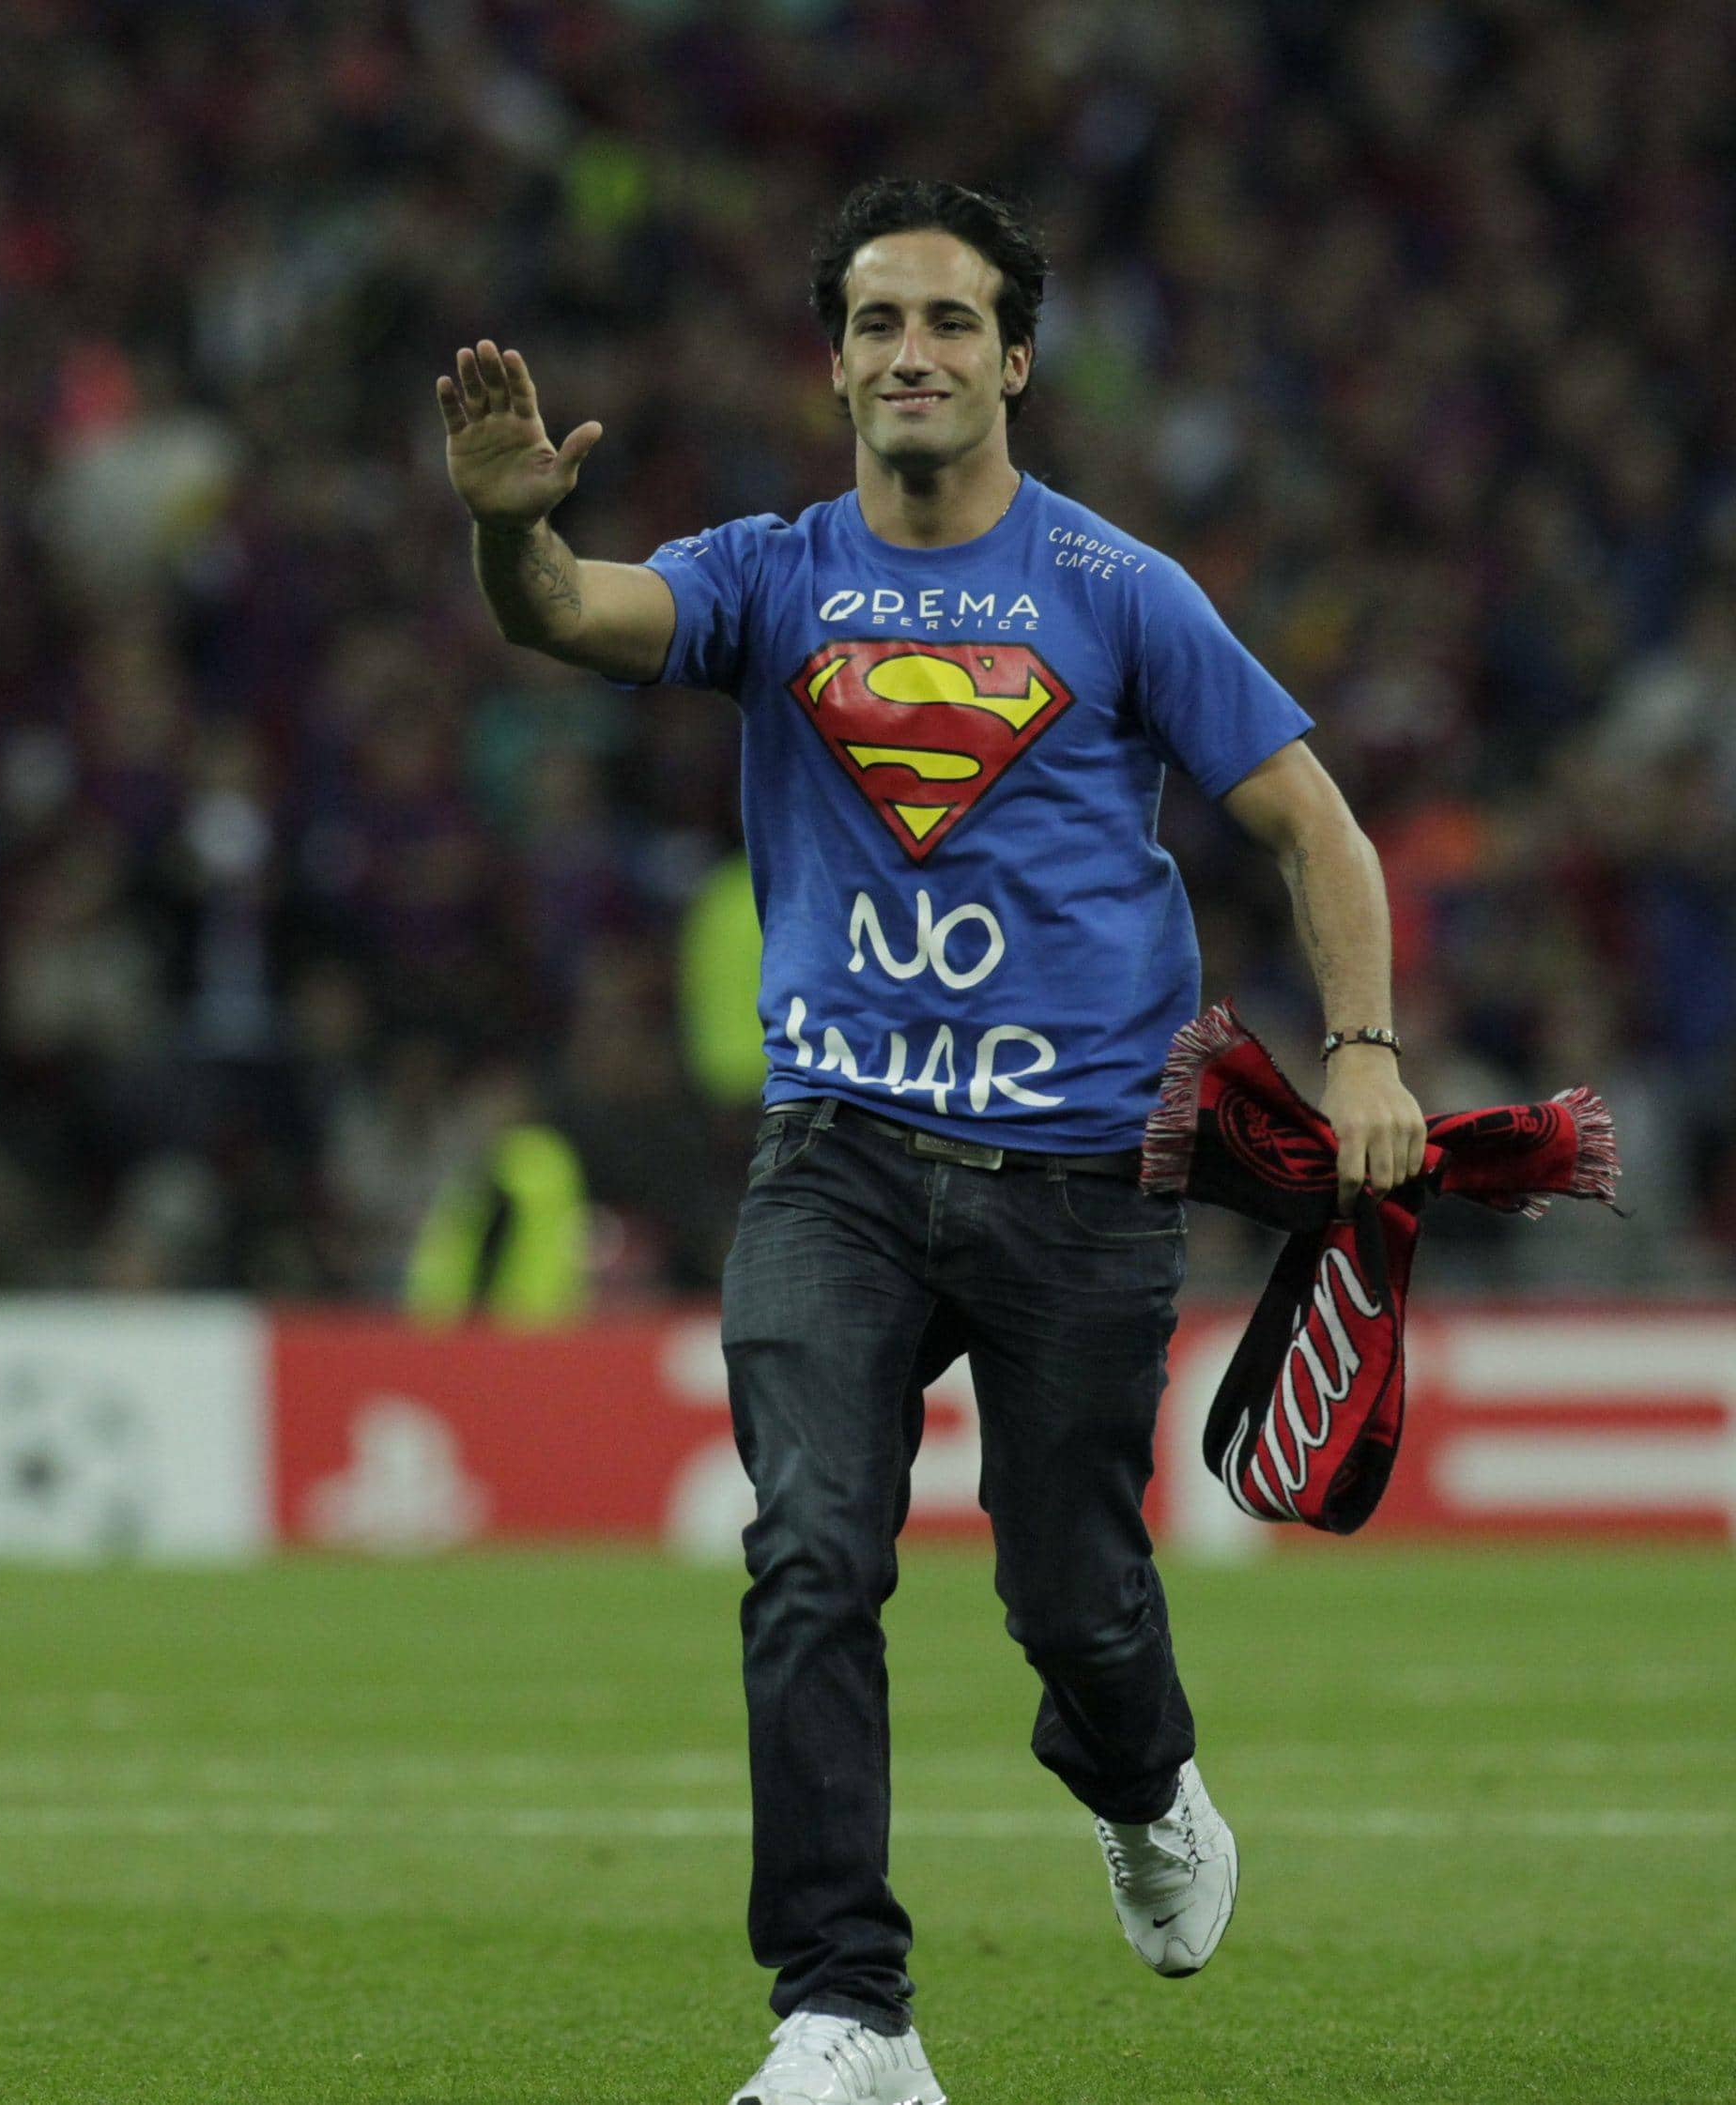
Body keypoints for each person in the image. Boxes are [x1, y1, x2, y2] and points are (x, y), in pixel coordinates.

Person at [437, 178, 1427, 2105]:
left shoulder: (1119, 589)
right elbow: (568, 612)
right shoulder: (769, 573)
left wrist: (1369, 1051)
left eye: (951, 322)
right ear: (833, 362)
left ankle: (1138, 1781)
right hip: (841, 1162)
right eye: (879, 321)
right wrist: (510, 539)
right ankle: (847, 2012)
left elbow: (1315, 824)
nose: (913, 351)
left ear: (1017, 360)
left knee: (1075, 1596)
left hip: (1079, 1180)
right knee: (811, 1546)